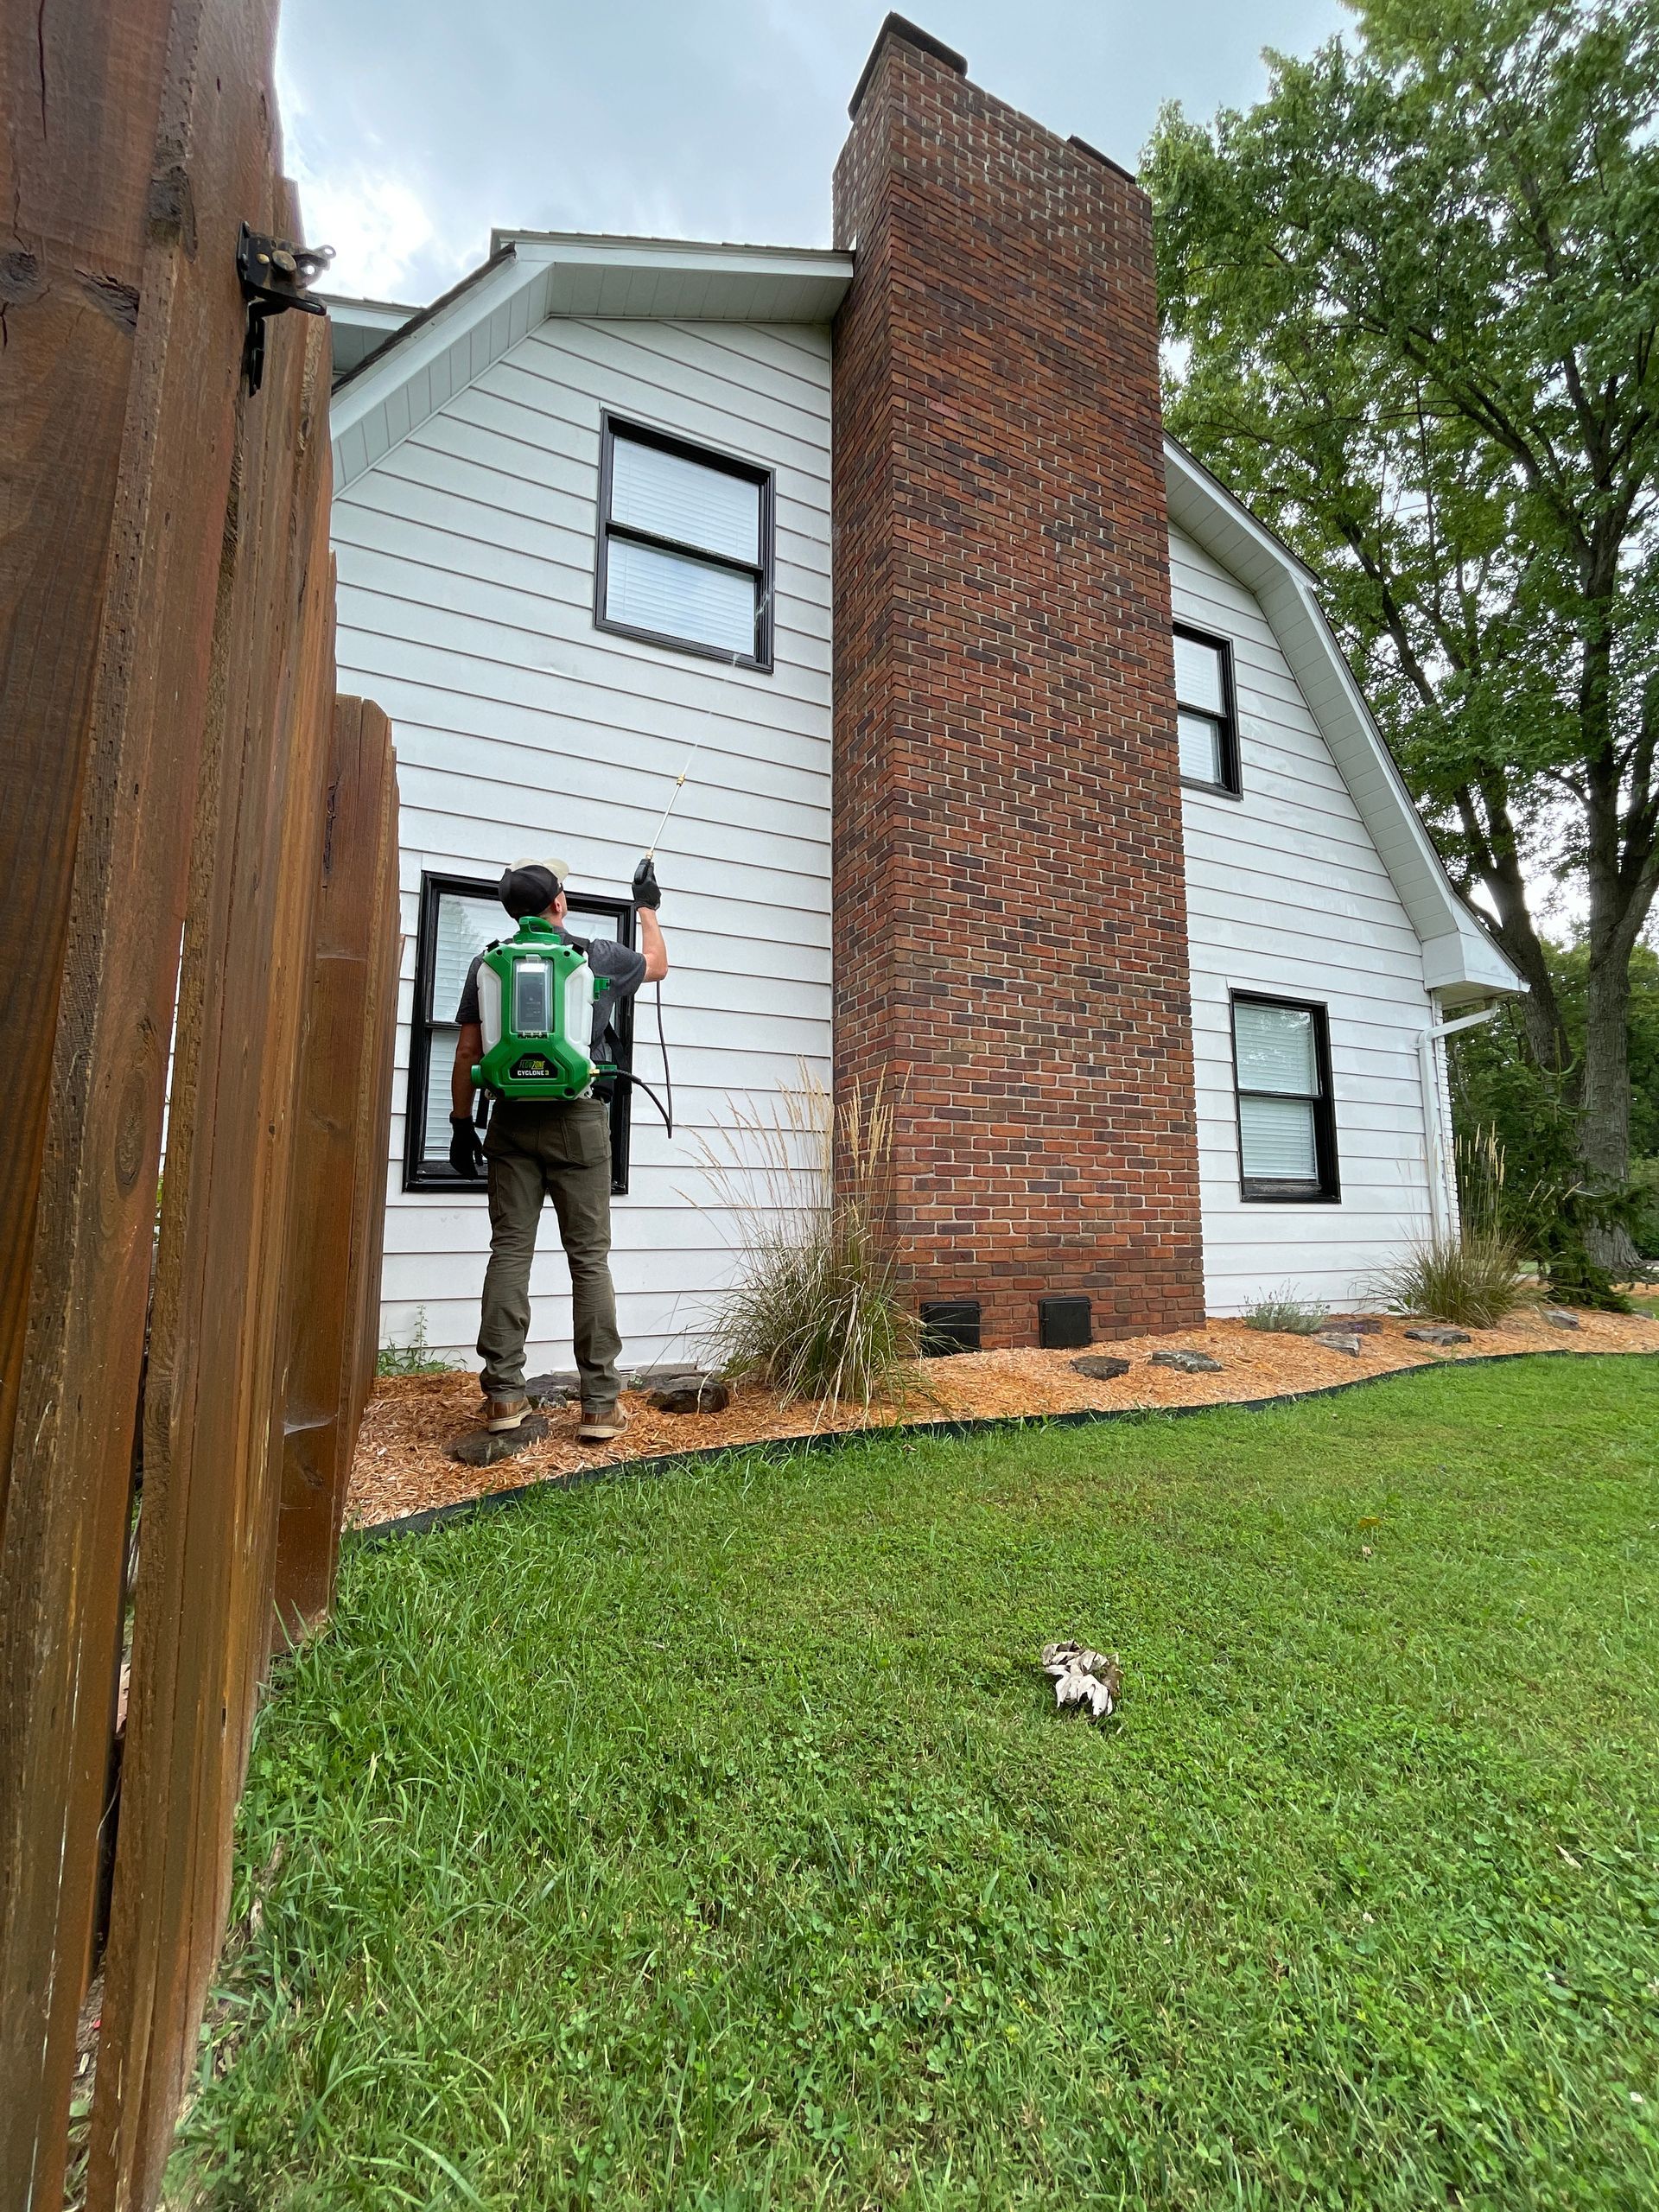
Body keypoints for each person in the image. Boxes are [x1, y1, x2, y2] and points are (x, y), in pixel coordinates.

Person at [448, 855, 668, 1440]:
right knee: (588, 1259)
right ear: (560, 904)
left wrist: (459, 1123)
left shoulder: (484, 963)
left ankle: (502, 1397)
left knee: (510, 1252)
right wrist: (646, 906)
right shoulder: (594, 955)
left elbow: (469, 1053)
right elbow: (659, 966)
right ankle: (599, 1404)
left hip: (511, 1122)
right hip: (578, 1118)